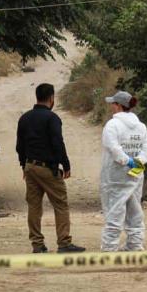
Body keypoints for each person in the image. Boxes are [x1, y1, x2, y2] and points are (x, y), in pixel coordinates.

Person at [16, 83, 85, 254]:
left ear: (37, 96)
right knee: (60, 204)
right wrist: (66, 165)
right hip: (47, 168)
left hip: (30, 167)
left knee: (34, 206)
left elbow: (19, 146)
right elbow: (57, 143)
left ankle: (37, 244)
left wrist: (24, 165)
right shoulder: (52, 118)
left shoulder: (24, 118)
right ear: (51, 98)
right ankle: (64, 242)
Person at [100, 91, 147, 252]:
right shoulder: (140, 126)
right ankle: (135, 243)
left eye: (113, 104)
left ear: (118, 106)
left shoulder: (112, 125)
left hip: (116, 175)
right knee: (135, 209)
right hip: (136, 173)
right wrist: (138, 162)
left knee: (114, 209)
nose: (111, 107)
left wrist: (126, 161)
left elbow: (113, 147)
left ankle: (110, 247)